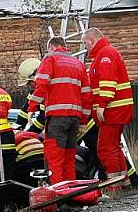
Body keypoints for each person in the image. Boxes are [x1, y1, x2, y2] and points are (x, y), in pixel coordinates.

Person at [15, 57, 138, 187]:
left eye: (29, 82)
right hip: (76, 124)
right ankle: (123, 183)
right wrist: (16, 128)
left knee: (103, 155)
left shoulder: (50, 85)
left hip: (87, 125)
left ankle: (131, 182)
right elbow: (24, 112)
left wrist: (29, 134)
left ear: (35, 76)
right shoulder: (37, 90)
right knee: (92, 156)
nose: (29, 86)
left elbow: (42, 118)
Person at [27, 37, 91, 185]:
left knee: (54, 160)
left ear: (51, 47)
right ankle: (70, 195)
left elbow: (41, 84)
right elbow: (87, 95)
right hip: (74, 119)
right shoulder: (78, 63)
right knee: (69, 160)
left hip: (57, 119)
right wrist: (83, 120)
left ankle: (56, 199)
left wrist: (32, 107)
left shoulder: (50, 59)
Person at [83, 27, 134, 188]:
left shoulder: (105, 55)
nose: (85, 47)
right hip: (116, 109)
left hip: (113, 109)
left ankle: (115, 185)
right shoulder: (105, 54)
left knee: (105, 148)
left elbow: (108, 82)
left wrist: (101, 106)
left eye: (85, 43)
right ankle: (124, 182)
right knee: (113, 146)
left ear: (91, 40)